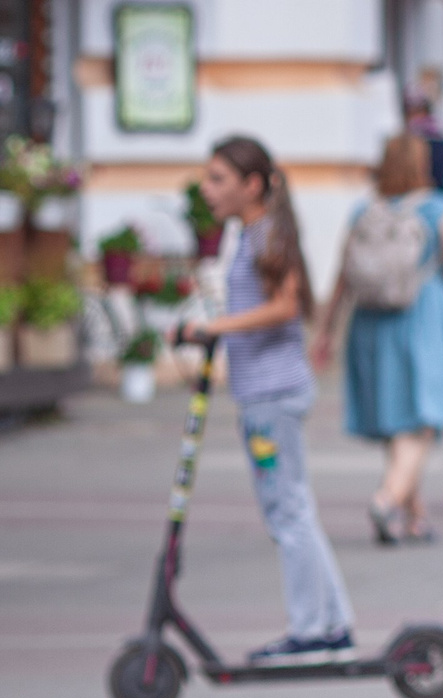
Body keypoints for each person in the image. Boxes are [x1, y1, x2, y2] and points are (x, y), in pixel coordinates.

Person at [181, 136, 357, 659]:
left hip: (272, 395)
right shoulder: (257, 233)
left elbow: (286, 306)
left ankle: (310, 633)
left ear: (251, 185)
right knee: (295, 509)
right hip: (267, 392)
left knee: (287, 513)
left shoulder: (265, 235)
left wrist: (216, 327)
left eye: (218, 179)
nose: (206, 189)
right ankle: (333, 626)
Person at [314, 134, 443, 546]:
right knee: (421, 425)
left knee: (397, 421)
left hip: (371, 323)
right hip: (422, 317)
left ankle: (414, 515)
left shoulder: (363, 210)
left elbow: (342, 275)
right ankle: (387, 499)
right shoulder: (435, 209)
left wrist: (327, 330)